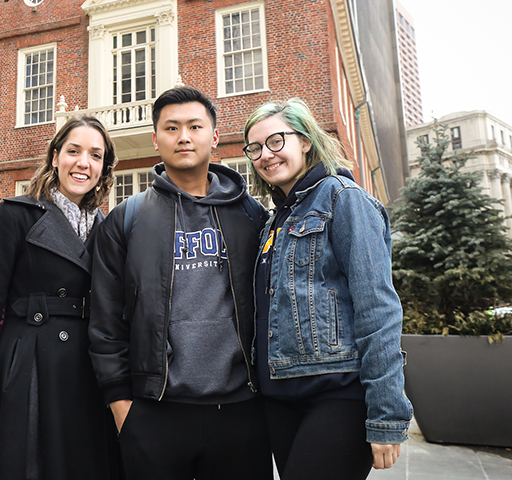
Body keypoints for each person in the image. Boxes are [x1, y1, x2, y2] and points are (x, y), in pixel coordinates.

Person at [88, 86, 272, 480]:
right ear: (156, 138)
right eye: (171, 128)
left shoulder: (251, 215)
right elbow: (104, 323)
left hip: (241, 410)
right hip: (155, 410)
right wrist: (123, 409)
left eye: (194, 126)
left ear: (215, 136)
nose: (184, 136)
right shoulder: (127, 219)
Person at [243, 98, 413, 479]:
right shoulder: (275, 221)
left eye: (275, 141)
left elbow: (378, 308)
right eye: (255, 148)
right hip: (280, 398)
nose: (265, 155)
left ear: (304, 140)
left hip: (337, 396)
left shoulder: (343, 198)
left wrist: (387, 415)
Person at [0, 115, 120, 479]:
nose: (83, 163)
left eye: (95, 155)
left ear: (104, 166)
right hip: (27, 374)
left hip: (90, 378)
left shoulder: (108, 228)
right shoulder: (14, 215)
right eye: (74, 151)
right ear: (56, 157)